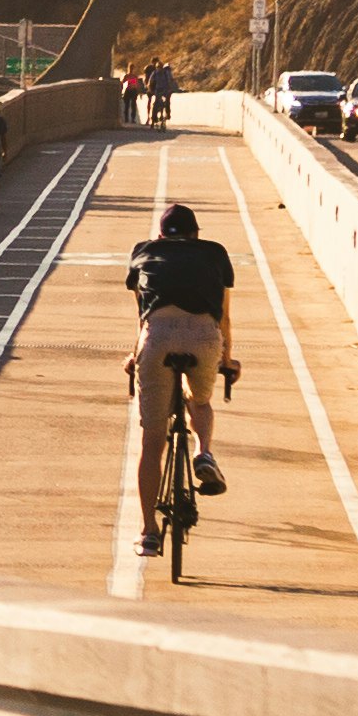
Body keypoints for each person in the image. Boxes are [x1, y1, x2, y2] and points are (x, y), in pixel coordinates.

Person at [125, 199, 240, 530]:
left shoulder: (143, 252)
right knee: (199, 401)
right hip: (203, 336)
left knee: (152, 441)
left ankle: (148, 531)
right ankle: (203, 452)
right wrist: (228, 359)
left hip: (157, 335)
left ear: (160, 236)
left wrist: (136, 356)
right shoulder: (214, 253)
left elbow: (142, 316)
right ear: (195, 234)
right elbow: (225, 317)